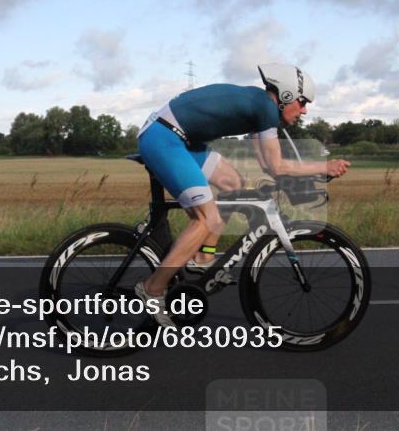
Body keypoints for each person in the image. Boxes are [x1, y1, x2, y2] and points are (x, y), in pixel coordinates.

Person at [133, 63, 350, 326]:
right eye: (302, 102)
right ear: (286, 96)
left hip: (183, 140)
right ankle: (152, 288)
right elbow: (276, 165)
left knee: (233, 183)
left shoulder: (261, 107)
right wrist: (323, 166)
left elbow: (264, 160)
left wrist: (305, 175)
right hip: (165, 138)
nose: (304, 110)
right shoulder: (264, 108)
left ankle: (203, 258)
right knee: (207, 218)